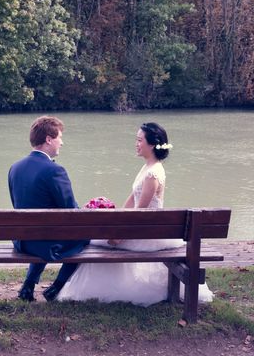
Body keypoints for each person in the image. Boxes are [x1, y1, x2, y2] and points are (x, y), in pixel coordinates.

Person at [56, 122, 213, 305]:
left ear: (152, 144)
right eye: (136, 140)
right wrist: (116, 222)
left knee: (92, 239)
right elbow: (131, 200)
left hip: (148, 233)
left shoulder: (153, 174)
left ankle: (90, 290)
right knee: (98, 237)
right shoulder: (147, 167)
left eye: (139, 140)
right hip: (143, 227)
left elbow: (141, 213)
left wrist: (118, 236)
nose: (136, 144)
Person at [8, 115, 89, 302]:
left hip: (22, 241)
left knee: (42, 232)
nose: (62, 142)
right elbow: (70, 211)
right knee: (85, 236)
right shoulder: (54, 171)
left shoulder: (15, 167)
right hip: (44, 243)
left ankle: (28, 286)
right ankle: (56, 287)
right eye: (60, 137)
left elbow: (17, 203)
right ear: (48, 139)